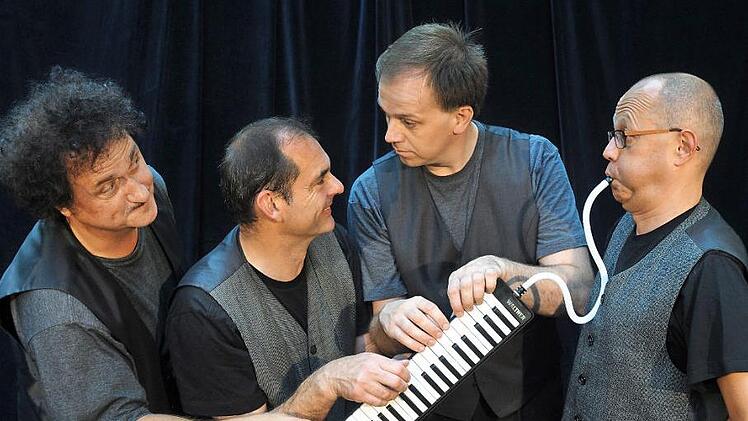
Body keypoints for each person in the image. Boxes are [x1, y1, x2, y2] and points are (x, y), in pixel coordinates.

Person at [348, 23, 594, 420]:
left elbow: (579, 291)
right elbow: (383, 319)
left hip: (530, 399)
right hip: (429, 404)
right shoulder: (371, 192)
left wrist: (505, 271)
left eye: (408, 121)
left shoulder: (535, 160)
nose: (390, 134)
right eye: (387, 116)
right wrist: (390, 319)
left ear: (460, 117)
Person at [166, 117, 410, 420]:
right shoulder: (202, 310)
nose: (338, 186)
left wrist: (391, 326)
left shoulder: (336, 242)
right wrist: (325, 384)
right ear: (271, 204)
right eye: (319, 180)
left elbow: (359, 345)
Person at [0, 67, 185, 420]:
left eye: (134, 160)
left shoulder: (150, 194)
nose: (139, 190)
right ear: (64, 206)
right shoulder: (59, 313)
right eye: (108, 187)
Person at [563, 73, 748, 420]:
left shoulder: (712, 266)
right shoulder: (625, 225)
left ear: (683, 147)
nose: (608, 150)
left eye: (624, 136)